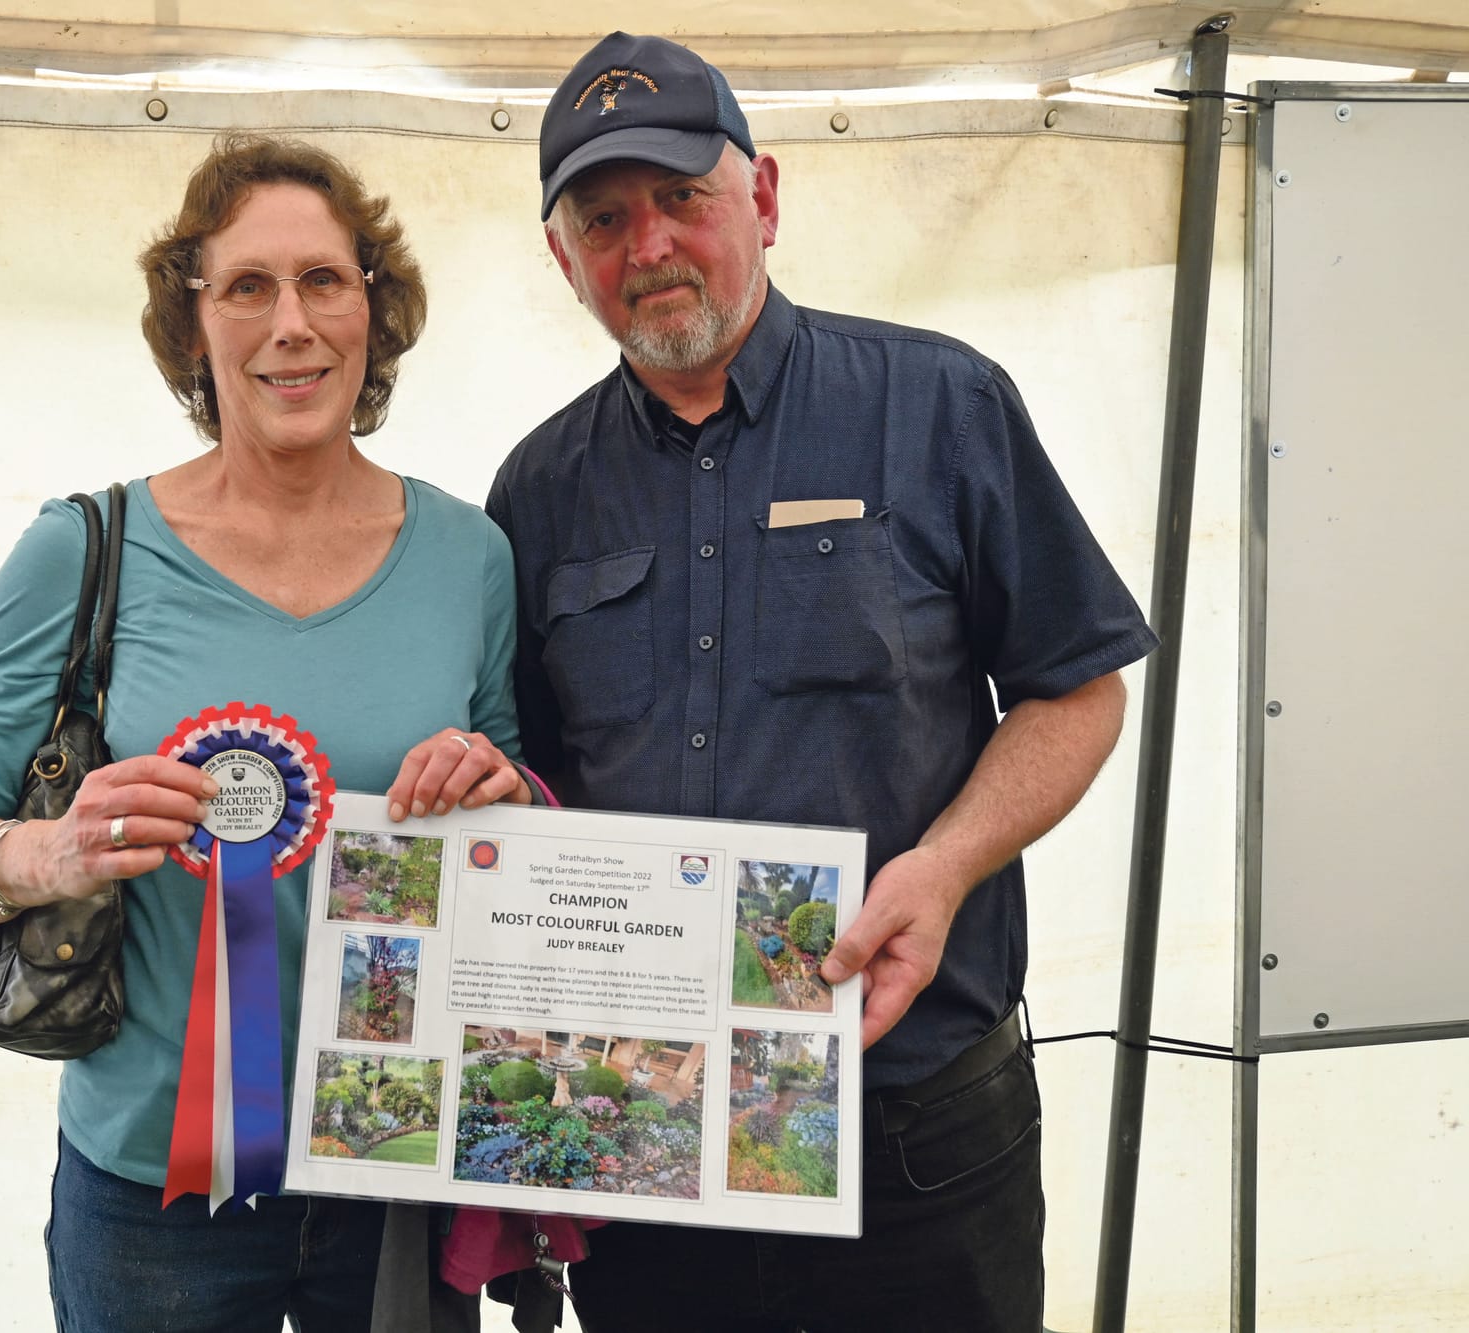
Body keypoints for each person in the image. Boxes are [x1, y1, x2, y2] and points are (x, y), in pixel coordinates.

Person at [485, 32, 1161, 1333]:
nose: (651, 248)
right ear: (563, 259)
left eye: (685, 198)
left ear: (768, 200)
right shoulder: (540, 488)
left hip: (915, 1136)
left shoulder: (939, 405)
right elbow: (544, 781)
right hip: (656, 1142)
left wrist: (946, 862)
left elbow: (1079, 689)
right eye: (604, 220)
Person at [0, 132, 533, 1333]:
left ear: (372, 313)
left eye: (324, 281)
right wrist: (42, 855)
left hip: (392, 1171)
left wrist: (501, 785)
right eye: (245, 287)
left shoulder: (469, 558)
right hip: (148, 1197)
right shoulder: (83, 550)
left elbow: (510, 804)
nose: (290, 323)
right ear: (192, 329)